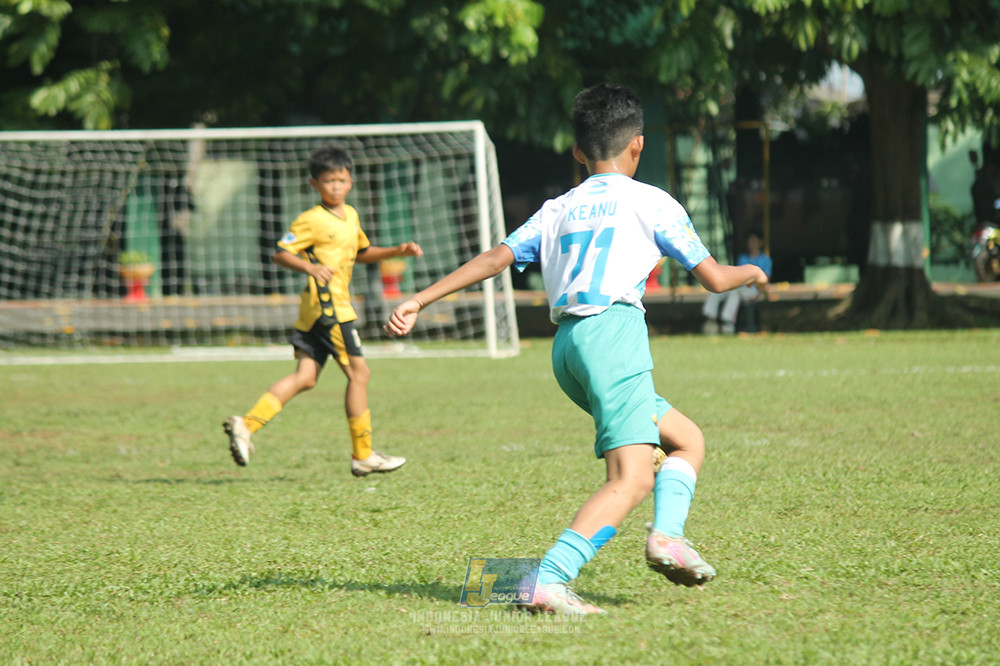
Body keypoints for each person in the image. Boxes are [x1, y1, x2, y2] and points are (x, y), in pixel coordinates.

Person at [385, 83, 769, 614]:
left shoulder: (557, 207)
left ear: (577, 151)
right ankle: (550, 576)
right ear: (638, 145)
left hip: (568, 349)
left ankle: (669, 538)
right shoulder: (652, 201)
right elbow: (714, 279)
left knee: (686, 439)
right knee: (630, 478)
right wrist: (753, 271)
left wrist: (420, 299)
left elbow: (496, 259)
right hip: (612, 334)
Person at [224, 144, 423, 477]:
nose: (336, 186)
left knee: (305, 378)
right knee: (360, 374)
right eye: (328, 181)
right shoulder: (311, 220)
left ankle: (245, 425)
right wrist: (310, 269)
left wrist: (396, 250)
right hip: (329, 309)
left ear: (351, 181)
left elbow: (362, 251)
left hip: (317, 311)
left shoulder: (352, 216)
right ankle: (363, 455)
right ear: (314, 184)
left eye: (341, 180)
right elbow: (281, 253)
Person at [701, 228, 772, 334]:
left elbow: (766, 280)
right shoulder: (742, 258)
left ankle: (727, 323)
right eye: (750, 241)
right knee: (715, 290)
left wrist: (762, 293)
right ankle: (710, 318)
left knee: (734, 293)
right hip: (740, 287)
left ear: (760, 243)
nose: (751, 244)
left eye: (754, 241)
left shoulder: (766, 260)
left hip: (753, 290)